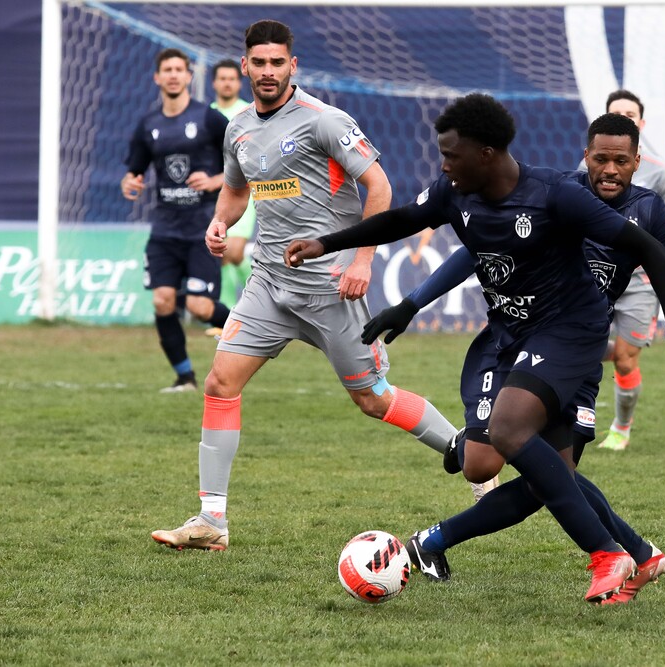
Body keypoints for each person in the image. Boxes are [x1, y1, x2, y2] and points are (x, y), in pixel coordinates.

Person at [285, 93, 665, 603]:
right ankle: (636, 551)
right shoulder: (458, 192)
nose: (443, 165)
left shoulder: (558, 195)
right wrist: (335, 249)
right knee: (508, 466)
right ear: (586, 155)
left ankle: (605, 553)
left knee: (514, 436)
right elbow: (407, 222)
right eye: (600, 158)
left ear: (485, 153)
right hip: (509, 335)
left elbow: (651, 250)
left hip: (569, 332)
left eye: (451, 155)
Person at [150, 20, 458, 552]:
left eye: (278, 63)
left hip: (331, 287)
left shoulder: (325, 120)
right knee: (220, 383)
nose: (268, 72)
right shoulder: (238, 127)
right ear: (245, 66)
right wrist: (220, 221)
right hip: (269, 283)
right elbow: (236, 190)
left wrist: (363, 260)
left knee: (373, 399)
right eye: (259, 63)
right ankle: (211, 520)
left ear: (292, 66)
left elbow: (380, 187)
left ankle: (467, 451)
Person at [587, 89, 665, 451]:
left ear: (641, 123)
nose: (624, 118)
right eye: (616, 113)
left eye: (630, 115)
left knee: (625, 358)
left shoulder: (660, 174)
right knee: (579, 345)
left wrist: (641, 243)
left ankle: (621, 428)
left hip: (641, 281)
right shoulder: (586, 171)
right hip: (594, 276)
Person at [121, 48, 233, 393]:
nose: (172, 75)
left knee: (200, 307)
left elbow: (243, 160)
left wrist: (215, 181)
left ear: (188, 76)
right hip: (165, 230)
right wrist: (130, 182)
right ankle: (185, 378)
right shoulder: (148, 125)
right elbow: (134, 171)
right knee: (162, 300)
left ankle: (254, 327)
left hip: (202, 228)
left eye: (178, 69)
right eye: (166, 70)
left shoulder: (210, 118)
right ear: (157, 77)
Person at [209, 60, 255, 313]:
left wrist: (219, 179)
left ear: (239, 83)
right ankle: (226, 314)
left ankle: (264, 300)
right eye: (222, 78)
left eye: (232, 78)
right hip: (212, 196)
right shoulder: (206, 114)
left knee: (234, 252)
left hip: (242, 192)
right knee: (221, 254)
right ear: (214, 83)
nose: (227, 83)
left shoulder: (248, 113)